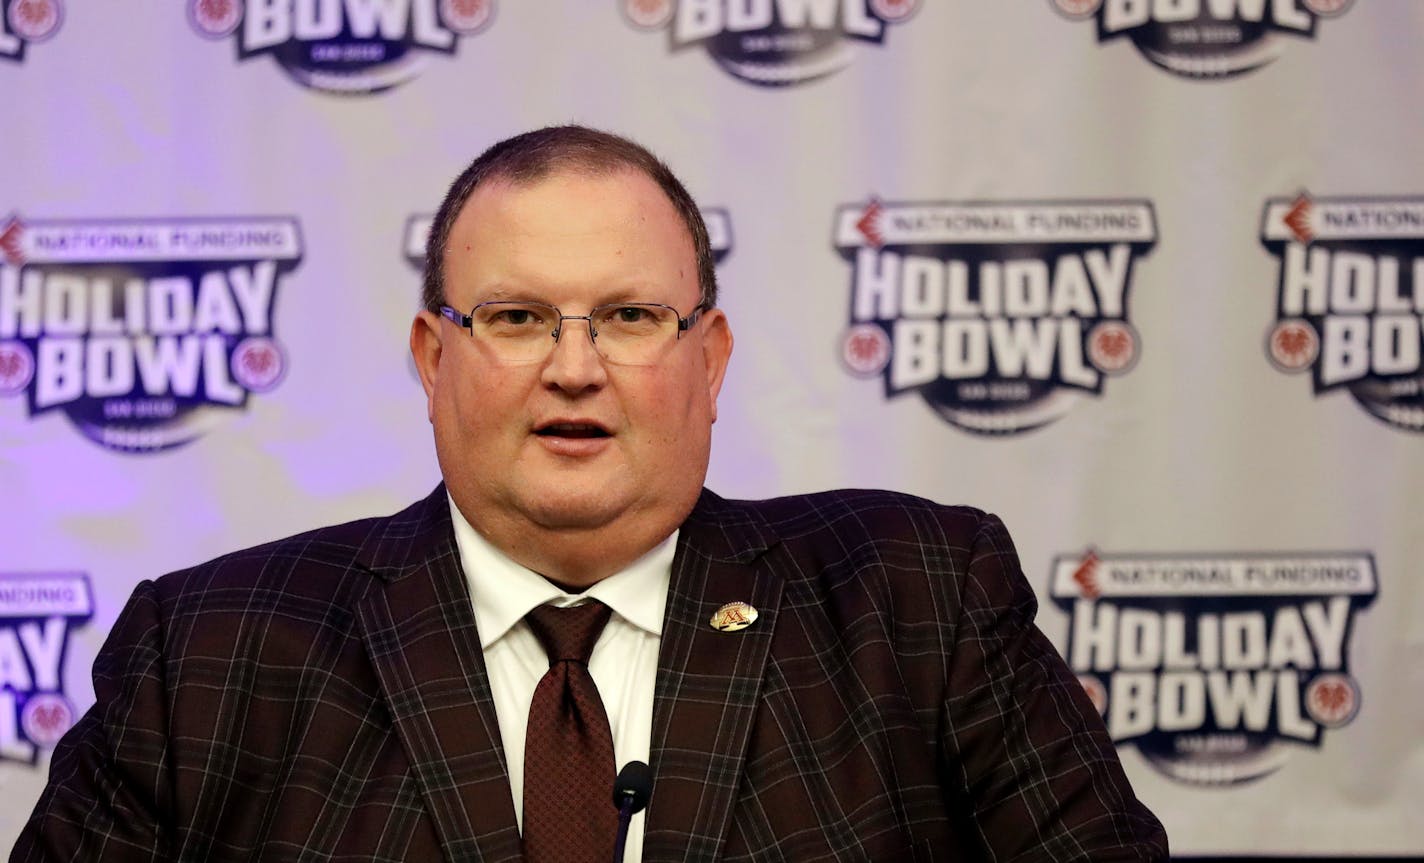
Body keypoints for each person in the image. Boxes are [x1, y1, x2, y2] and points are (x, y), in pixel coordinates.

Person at [13, 126, 1167, 862]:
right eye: (516, 317)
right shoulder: (209, 653)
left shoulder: (918, 600)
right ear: (431, 356)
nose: (574, 365)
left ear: (708, 359)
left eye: (627, 315)